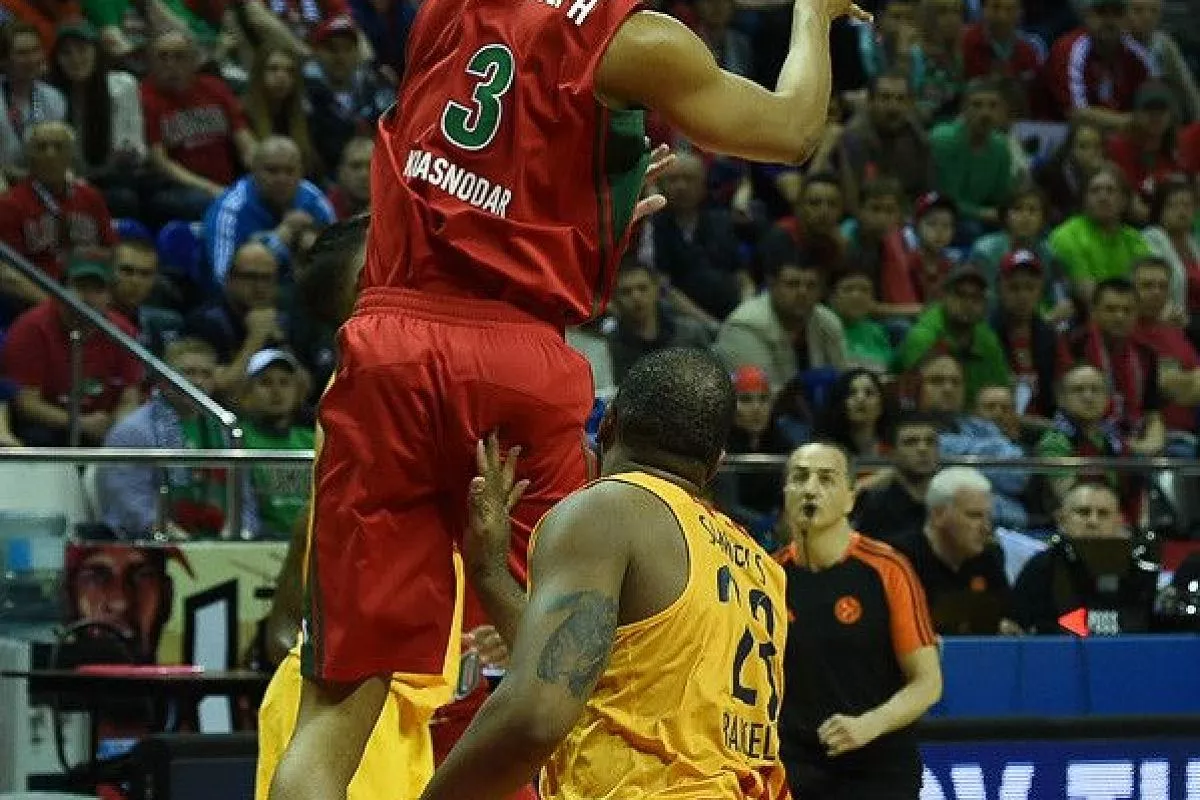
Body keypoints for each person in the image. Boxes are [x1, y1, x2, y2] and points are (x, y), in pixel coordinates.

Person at [270, 0, 871, 794]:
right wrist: (814, 16)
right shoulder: (636, 39)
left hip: (394, 339)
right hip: (521, 356)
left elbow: (478, 168)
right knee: (547, 670)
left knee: (334, 706)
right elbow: (792, 130)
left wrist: (591, 206)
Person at [419, 348, 789, 800]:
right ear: (716, 463)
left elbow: (535, 717)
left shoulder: (609, 508)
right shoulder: (762, 566)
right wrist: (490, 573)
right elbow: (579, 674)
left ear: (608, 425)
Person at [775, 442, 942, 799]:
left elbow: (928, 682)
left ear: (850, 498)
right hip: (794, 765)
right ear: (785, 493)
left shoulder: (888, 568)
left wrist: (869, 724)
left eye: (826, 479)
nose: (810, 489)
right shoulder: (767, 575)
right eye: (800, 478)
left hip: (878, 765)